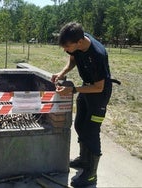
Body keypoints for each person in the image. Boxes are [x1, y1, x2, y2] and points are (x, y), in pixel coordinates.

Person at [51, 22, 113, 187]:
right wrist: (61, 73)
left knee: (91, 132)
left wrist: (71, 90)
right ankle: (84, 159)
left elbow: (99, 87)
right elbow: (72, 60)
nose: (65, 49)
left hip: (99, 94)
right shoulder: (78, 44)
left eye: (67, 46)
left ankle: (91, 175)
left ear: (79, 42)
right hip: (86, 88)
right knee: (79, 125)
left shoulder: (98, 54)